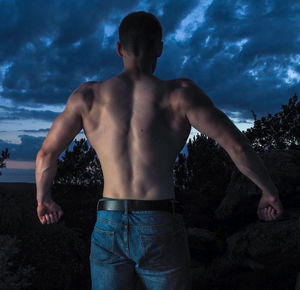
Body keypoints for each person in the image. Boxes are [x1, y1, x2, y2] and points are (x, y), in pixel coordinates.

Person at [35, 11, 284, 290]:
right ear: (159, 48)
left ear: (119, 48)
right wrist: (268, 191)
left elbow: (46, 154)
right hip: (159, 221)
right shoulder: (180, 94)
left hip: (108, 222)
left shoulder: (87, 97)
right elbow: (236, 145)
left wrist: (43, 199)